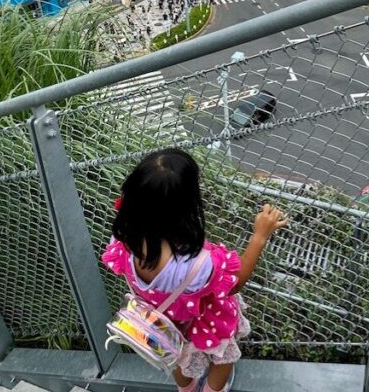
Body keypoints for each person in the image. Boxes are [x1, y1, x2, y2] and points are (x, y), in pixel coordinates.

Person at [102, 149, 287, 392]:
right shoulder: (196, 265)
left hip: (163, 323)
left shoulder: (123, 239)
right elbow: (236, 281)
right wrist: (259, 236)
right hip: (202, 321)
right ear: (185, 205)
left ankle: (186, 389)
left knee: (175, 353)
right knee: (223, 357)